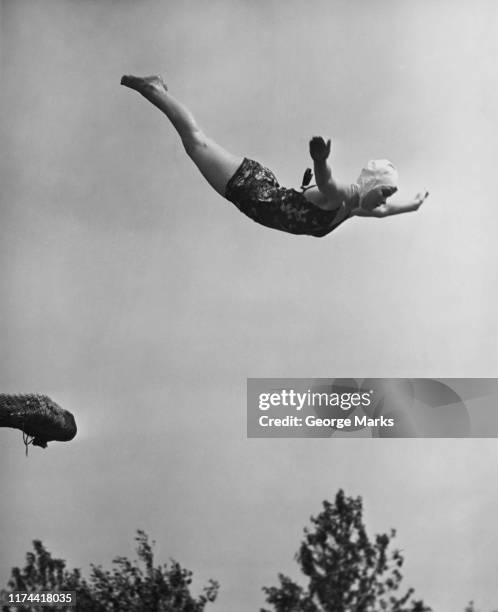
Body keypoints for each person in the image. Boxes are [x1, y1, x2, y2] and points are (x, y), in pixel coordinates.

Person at [120, 75, 429, 237]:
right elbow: (326, 181)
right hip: (251, 188)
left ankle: (157, 90)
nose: (384, 201)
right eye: (385, 192)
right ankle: (154, 89)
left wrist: (412, 207)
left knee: (196, 145)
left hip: (258, 196)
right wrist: (320, 160)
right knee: (196, 143)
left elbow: (384, 212)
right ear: (371, 184)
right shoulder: (343, 195)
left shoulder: (354, 208)